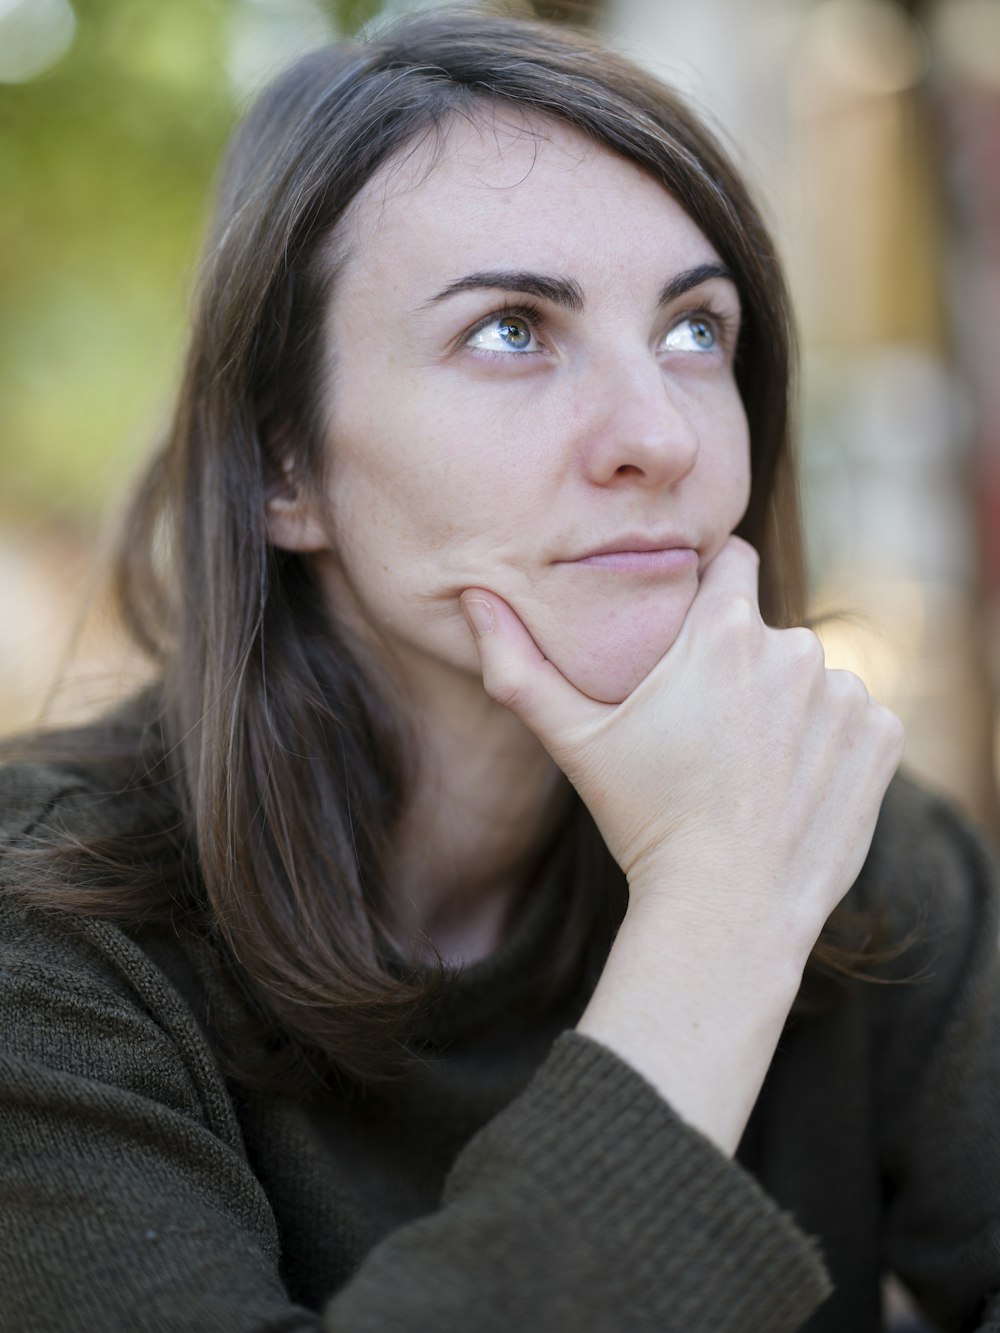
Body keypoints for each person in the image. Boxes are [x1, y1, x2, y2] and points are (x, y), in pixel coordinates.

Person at [1, 9, 997, 1331]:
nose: (658, 433)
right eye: (513, 330)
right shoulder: (50, 953)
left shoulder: (835, 837)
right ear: (284, 466)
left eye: (696, 330)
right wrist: (715, 929)